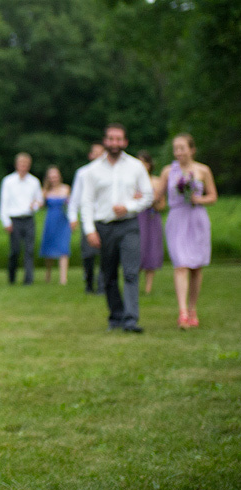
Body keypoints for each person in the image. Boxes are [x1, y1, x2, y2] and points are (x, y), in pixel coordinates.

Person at [81, 123, 153, 333]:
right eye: (111, 139)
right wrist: (89, 230)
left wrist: (129, 206)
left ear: (125, 142)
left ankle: (131, 320)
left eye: (119, 139)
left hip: (129, 225)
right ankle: (116, 316)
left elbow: (148, 195)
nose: (115, 143)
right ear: (105, 141)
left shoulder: (136, 166)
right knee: (109, 274)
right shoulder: (93, 170)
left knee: (131, 272)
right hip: (104, 227)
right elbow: (86, 202)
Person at [157, 133, 218, 329]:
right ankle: (182, 311)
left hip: (197, 219)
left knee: (196, 267)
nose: (178, 152)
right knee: (180, 264)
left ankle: (193, 308)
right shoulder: (168, 171)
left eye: (182, 148)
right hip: (177, 219)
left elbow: (213, 197)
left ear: (192, 149)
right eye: (176, 148)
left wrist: (198, 199)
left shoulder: (203, 170)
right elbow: (157, 196)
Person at [0, 152, 43, 285]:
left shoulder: (34, 181)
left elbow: (39, 200)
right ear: (17, 165)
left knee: (29, 250)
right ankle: (12, 277)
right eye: (21, 164)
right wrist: (6, 221)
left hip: (28, 219)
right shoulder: (8, 181)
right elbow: (4, 203)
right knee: (15, 251)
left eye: (26, 164)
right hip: (14, 220)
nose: (23, 166)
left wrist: (34, 206)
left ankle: (28, 279)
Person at [68, 142, 106, 293]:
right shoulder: (82, 173)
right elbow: (75, 197)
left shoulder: (109, 173)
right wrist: (72, 217)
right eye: (95, 153)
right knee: (88, 254)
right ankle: (89, 282)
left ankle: (102, 285)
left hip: (104, 217)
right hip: (88, 218)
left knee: (105, 254)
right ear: (90, 155)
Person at [136, 151, 165, 295]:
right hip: (137, 218)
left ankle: (148, 288)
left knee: (151, 250)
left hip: (152, 218)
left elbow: (162, 205)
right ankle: (134, 285)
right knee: (137, 250)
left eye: (144, 162)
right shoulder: (132, 182)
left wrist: (153, 202)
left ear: (149, 165)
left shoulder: (157, 181)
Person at [39, 165, 72, 285]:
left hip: (63, 221)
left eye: (55, 176)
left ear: (59, 176)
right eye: (51, 177)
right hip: (50, 221)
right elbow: (40, 205)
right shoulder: (45, 191)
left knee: (63, 247)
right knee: (49, 248)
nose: (53, 179)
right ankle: (48, 273)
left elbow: (71, 205)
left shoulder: (66, 189)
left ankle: (63, 278)